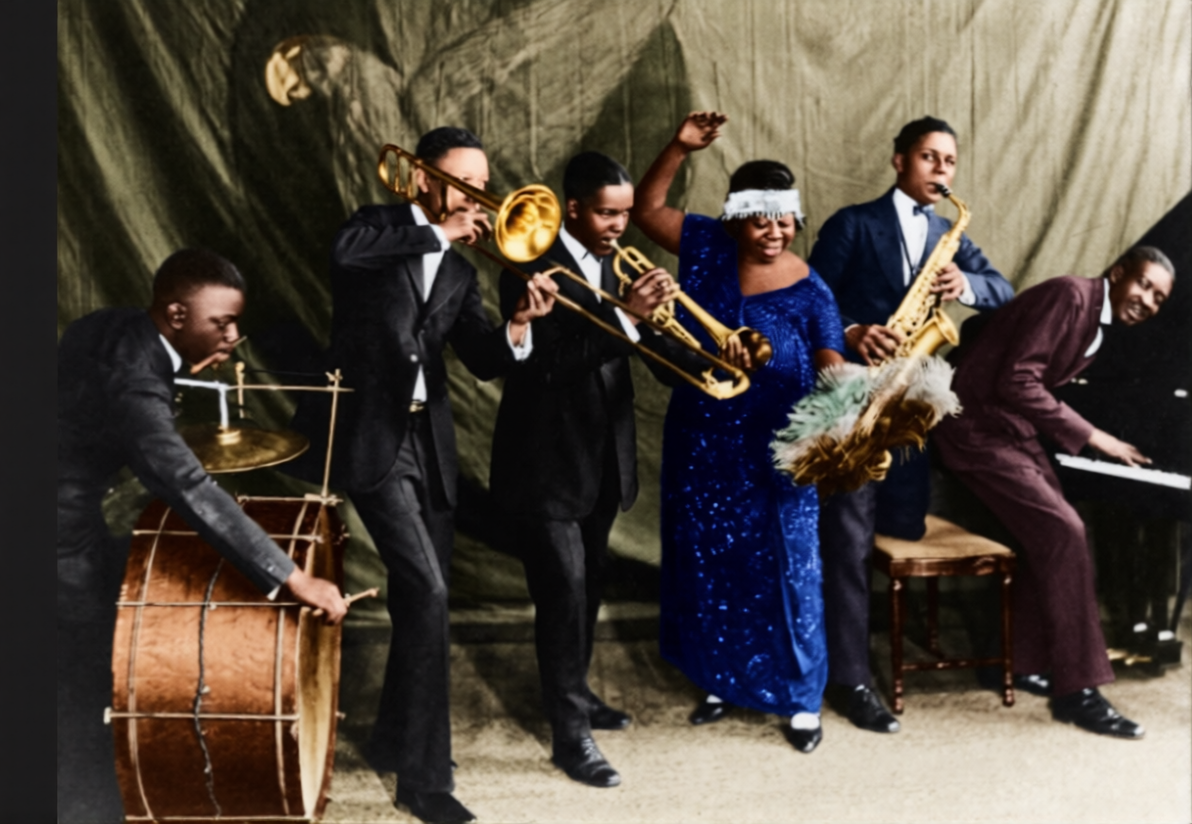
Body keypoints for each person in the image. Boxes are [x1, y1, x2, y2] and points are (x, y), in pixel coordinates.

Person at [287, 127, 557, 824]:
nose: (476, 196)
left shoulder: (464, 272)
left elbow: (484, 358)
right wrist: (436, 232)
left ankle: (390, 740)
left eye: (481, 182)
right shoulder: (376, 228)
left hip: (428, 445)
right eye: (462, 181)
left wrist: (520, 325)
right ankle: (425, 782)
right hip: (371, 439)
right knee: (432, 589)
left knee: (420, 599)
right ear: (423, 180)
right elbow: (344, 257)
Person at [58, 249, 348, 824]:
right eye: (221, 323)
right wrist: (292, 576)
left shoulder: (112, 326)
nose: (235, 335)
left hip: (64, 508)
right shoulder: (137, 380)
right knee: (86, 687)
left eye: (237, 322)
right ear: (174, 315)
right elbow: (187, 484)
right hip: (55, 534)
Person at [630, 111, 845, 754]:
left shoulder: (815, 291)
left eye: (784, 219)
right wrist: (678, 145)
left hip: (778, 453)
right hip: (702, 442)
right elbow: (646, 208)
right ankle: (723, 680)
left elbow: (833, 372)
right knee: (712, 565)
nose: (774, 231)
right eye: (761, 218)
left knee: (790, 571)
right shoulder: (703, 246)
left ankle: (802, 701)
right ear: (736, 219)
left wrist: (834, 433)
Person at [807, 116, 1015, 733]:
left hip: (910, 404)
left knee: (897, 526)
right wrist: (850, 331)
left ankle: (853, 647)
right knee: (846, 538)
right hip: (851, 395)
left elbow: (1004, 289)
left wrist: (968, 284)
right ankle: (849, 677)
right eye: (929, 158)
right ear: (899, 161)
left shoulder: (948, 234)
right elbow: (811, 298)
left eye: (949, 162)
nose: (941, 171)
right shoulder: (853, 223)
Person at [489, 150, 688, 787]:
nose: (619, 227)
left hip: (604, 460)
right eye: (607, 214)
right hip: (545, 463)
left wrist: (691, 349)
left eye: (626, 214)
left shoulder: (613, 266)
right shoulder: (527, 266)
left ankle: (575, 693)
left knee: (589, 589)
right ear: (571, 208)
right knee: (563, 594)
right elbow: (549, 367)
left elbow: (649, 353)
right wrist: (626, 314)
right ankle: (569, 733)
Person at [934, 246, 1174, 739]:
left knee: (1054, 535)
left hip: (1009, 431)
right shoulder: (1071, 295)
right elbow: (1019, 379)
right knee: (1065, 529)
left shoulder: (1094, 316)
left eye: (1158, 299)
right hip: (975, 430)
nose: (1148, 301)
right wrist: (1095, 437)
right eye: (1144, 285)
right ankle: (1078, 691)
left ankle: (1019, 662)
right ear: (1118, 272)